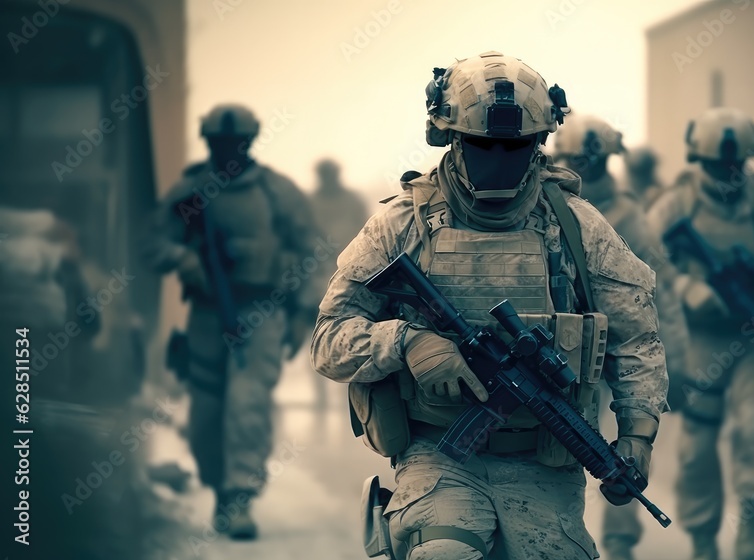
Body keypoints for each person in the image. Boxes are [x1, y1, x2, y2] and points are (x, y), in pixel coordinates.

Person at [311, 51, 669, 560]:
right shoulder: (400, 225)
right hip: (437, 455)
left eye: (515, 146)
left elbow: (636, 339)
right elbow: (328, 341)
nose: (499, 158)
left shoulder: (577, 228)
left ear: (539, 143)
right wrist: (406, 342)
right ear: (450, 139)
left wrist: (637, 435)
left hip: (545, 463)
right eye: (483, 144)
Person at [647, 108, 754, 560]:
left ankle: (751, 525)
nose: (727, 172)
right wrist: (687, 287)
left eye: (735, 164)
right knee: (698, 447)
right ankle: (704, 539)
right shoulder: (675, 207)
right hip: (699, 342)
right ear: (698, 162)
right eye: (717, 164)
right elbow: (639, 264)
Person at [144, 103, 318, 540]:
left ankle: (239, 494)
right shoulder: (190, 191)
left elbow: (311, 254)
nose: (229, 151)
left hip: (262, 311)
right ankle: (221, 488)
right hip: (205, 314)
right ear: (209, 144)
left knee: (247, 404)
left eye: (236, 143)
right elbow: (152, 243)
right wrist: (185, 258)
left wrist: (302, 313)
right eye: (220, 144)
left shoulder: (277, 193)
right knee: (206, 414)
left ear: (250, 142)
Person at [552, 115, 690, 560]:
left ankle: (619, 543)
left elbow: (657, 296)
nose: (582, 168)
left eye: (588, 161)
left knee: (622, 455)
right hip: (559, 355)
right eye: (573, 160)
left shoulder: (630, 219)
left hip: (615, 357)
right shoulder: (547, 205)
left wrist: (676, 362)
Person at [305, 158, 370, 409]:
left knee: (351, 334)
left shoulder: (352, 201)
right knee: (318, 335)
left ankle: (348, 397)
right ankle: (320, 395)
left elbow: (365, 235)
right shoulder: (309, 204)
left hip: (351, 277)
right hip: (316, 277)